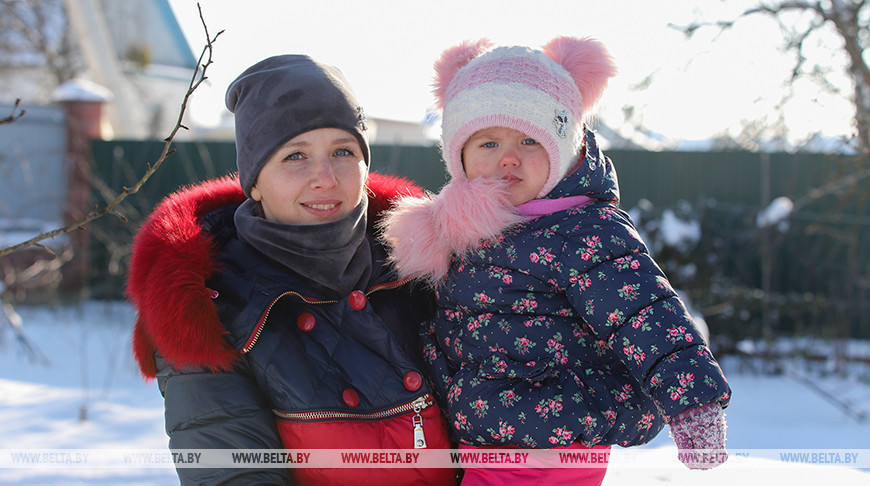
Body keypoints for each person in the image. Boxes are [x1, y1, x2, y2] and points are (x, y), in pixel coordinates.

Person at [380, 37, 732, 485]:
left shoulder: (584, 229)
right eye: (488, 142)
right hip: (482, 437)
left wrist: (693, 402)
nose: (509, 158)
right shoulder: (465, 232)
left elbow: (647, 313)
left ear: (563, 150)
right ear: (459, 157)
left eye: (530, 140)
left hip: (552, 443)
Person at [127, 54, 459, 485]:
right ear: (255, 182)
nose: (324, 177)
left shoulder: (428, 268)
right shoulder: (208, 307)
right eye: (294, 156)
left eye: (343, 151)